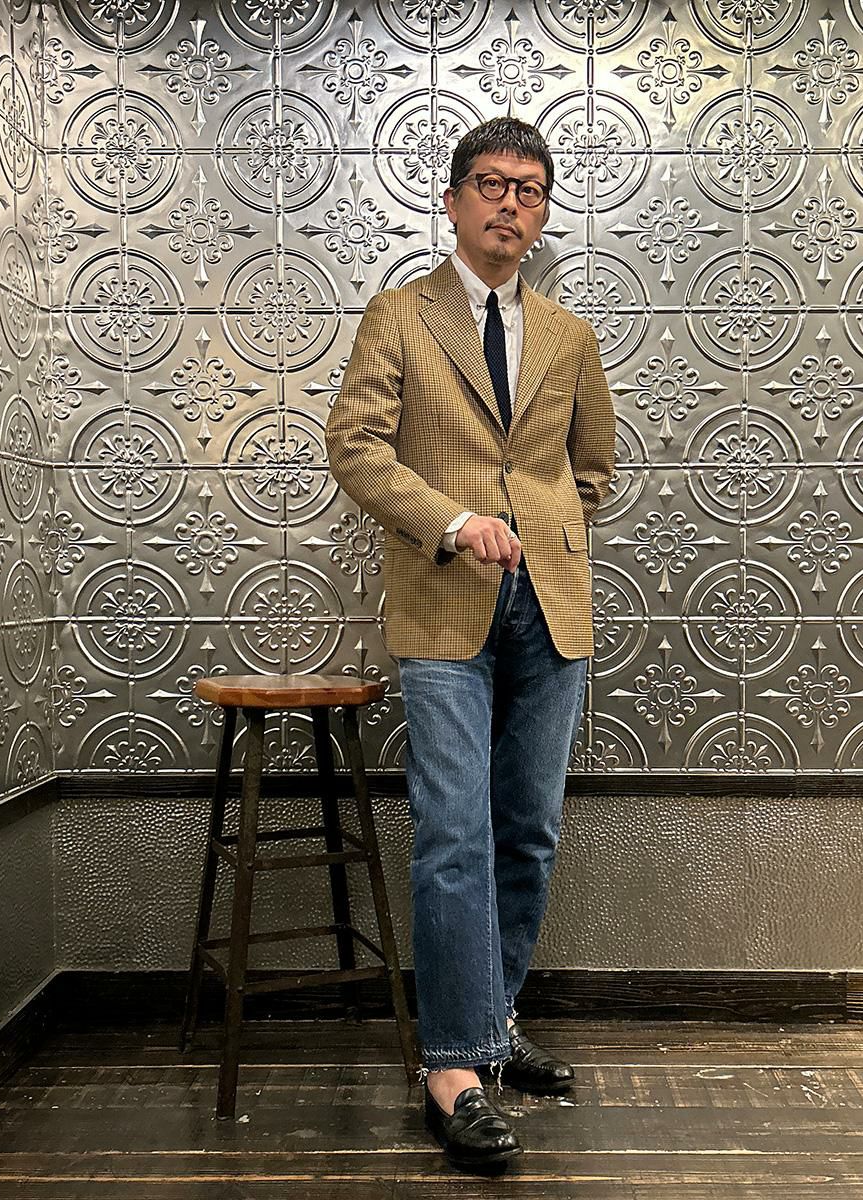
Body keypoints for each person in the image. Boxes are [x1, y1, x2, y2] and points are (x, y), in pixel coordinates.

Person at [326, 116, 615, 1170]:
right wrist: (453, 522)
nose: (509, 204)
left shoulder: (569, 335)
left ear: (542, 215)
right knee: (453, 831)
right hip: (444, 599)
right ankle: (453, 1068)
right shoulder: (400, 316)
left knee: (527, 829)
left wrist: (550, 531)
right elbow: (355, 448)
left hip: (552, 602)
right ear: (452, 202)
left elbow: (593, 468)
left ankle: (495, 1024)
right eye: (490, 184)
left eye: (529, 190)